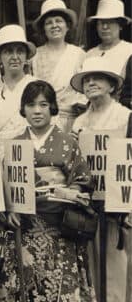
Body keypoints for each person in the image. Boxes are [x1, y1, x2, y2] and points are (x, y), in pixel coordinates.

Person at [0, 80, 96, 301]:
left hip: (60, 224)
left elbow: (81, 179)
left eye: (43, 104)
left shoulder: (67, 143)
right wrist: (11, 209)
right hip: (25, 227)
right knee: (26, 287)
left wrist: (70, 192)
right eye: (31, 105)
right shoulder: (15, 144)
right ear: (23, 109)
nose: (37, 110)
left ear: (52, 108)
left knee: (59, 286)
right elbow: (8, 183)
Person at [70, 57, 132, 302]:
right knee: (90, 265)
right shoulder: (79, 121)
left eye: (97, 78)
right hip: (89, 205)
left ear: (111, 84)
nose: (91, 83)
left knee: (117, 265)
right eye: (87, 79)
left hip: (117, 206)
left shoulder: (125, 117)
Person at [31, 0, 87, 132]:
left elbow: (85, 87)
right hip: (43, 120)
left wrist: (81, 102)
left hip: (72, 120)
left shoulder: (79, 54)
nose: (54, 25)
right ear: (43, 29)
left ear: (67, 26)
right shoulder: (35, 55)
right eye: (49, 23)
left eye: (59, 21)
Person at [0, 24, 37, 140]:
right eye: (8, 52)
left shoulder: (38, 87)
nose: (15, 57)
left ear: (26, 57)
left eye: (20, 52)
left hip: (32, 153)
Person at [86, 0, 132, 104]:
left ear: (120, 25)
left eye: (110, 22)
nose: (105, 27)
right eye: (101, 23)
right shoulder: (90, 54)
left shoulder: (129, 51)